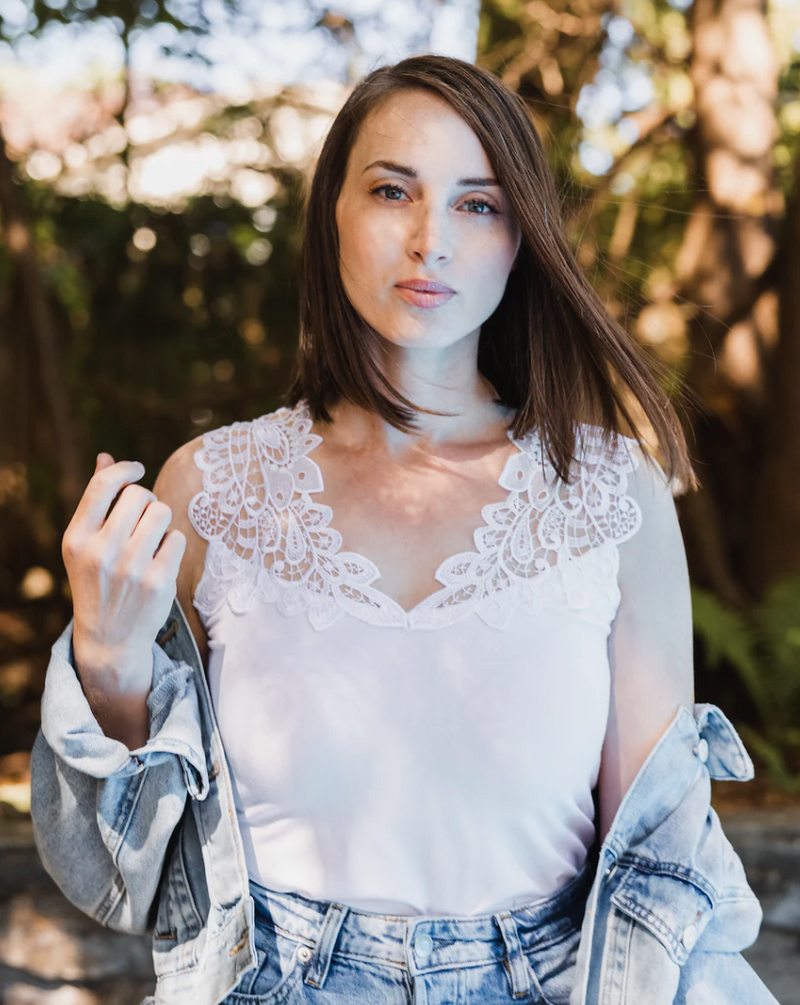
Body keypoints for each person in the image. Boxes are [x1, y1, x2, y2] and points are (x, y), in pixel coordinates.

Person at [35, 55, 774, 1005]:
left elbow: (657, 874)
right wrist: (105, 659)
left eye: (479, 203)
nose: (432, 240)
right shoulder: (210, 489)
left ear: (521, 239)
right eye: (393, 190)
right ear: (332, 212)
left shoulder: (611, 495)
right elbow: (126, 877)